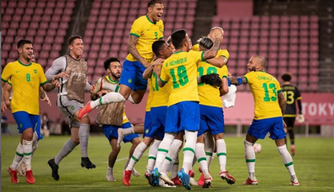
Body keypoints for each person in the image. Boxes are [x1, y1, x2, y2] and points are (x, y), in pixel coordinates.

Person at [151, 29, 221, 190]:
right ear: (184, 43)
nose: (190, 42)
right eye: (189, 40)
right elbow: (211, 54)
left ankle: (157, 168)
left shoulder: (168, 62)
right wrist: (216, 40)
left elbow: (161, 83)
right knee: (191, 136)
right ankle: (185, 169)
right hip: (189, 101)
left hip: (173, 101)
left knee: (169, 136)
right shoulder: (191, 56)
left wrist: (156, 72)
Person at [77, 0, 165, 118]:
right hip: (134, 63)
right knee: (122, 95)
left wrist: (155, 60)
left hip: (146, 67)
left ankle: (114, 87)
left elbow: (159, 46)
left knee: (136, 100)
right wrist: (143, 61)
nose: (161, 12)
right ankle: (92, 104)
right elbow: (130, 46)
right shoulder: (140, 22)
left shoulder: (160, 24)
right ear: (150, 9)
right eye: (158, 9)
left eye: (162, 9)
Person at [230, 55, 299, 186]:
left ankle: (252, 177)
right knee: (283, 148)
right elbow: (282, 100)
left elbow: (237, 81)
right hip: (277, 117)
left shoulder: (252, 75)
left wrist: (223, 78)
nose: (247, 64)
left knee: (248, 143)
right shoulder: (273, 79)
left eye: (250, 62)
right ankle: (294, 178)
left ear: (259, 65)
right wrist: (281, 117)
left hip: (262, 117)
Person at [1, 39, 57, 184]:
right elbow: (2, 85)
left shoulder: (37, 68)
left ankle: (13, 168)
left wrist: (54, 83)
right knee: (28, 134)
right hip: (18, 107)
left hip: (34, 109)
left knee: (31, 139)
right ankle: (29, 170)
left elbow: (45, 87)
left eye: (31, 48)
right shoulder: (11, 66)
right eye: (27, 48)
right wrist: (3, 100)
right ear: (19, 50)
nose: (31, 50)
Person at [121, 40, 173, 186]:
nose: (171, 50)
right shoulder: (167, 63)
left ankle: (131, 170)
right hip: (165, 106)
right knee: (168, 139)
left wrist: (153, 64)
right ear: (162, 51)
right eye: (169, 47)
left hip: (152, 107)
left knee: (151, 140)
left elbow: (144, 75)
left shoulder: (153, 64)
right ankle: (157, 171)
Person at [45, 35, 95, 181]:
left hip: (78, 100)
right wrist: (57, 76)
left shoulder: (83, 63)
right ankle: (84, 158)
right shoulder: (62, 60)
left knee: (75, 138)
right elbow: (46, 75)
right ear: (71, 46)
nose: (81, 46)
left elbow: (81, 82)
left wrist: (90, 87)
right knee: (85, 119)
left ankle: (54, 162)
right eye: (78, 44)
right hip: (66, 98)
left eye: (82, 44)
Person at [91, 57, 141, 182]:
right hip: (108, 120)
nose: (118, 69)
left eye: (119, 67)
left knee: (138, 143)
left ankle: (128, 166)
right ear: (108, 70)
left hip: (122, 118)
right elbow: (92, 98)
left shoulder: (124, 83)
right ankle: (109, 171)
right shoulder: (101, 82)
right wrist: (97, 93)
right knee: (116, 148)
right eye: (115, 67)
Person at [194, 37, 236, 186]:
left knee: (199, 140)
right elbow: (225, 89)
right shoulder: (221, 66)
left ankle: (206, 175)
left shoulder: (195, 61)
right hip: (214, 105)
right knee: (219, 138)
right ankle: (223, 169)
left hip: (197, 104)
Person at [281, 72, 304, 156]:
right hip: (292, 113)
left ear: (282, 79)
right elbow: (299, 101)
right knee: (291, 129)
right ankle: (293, 145)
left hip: (283, 113)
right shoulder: (295, 88)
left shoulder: (280, 88)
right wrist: (300, 112)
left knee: (284, 131)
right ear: (290, 79)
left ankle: (285, 150)